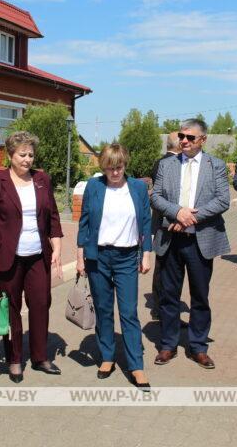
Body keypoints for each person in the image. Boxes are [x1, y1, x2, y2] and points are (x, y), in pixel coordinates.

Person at [0, 131, 63, 383]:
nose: (27, 159)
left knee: (40, 304)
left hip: (37, 256)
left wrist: (56, 248)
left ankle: (39, 357)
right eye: (22, 154)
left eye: (31, 155)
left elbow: (53, 218)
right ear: (11, 155)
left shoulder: (42, 179)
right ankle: (13, 359)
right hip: (6, 257)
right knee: (10, 308)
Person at [150, 118, 230, 370]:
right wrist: (177, 212)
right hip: (170, 239)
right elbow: (156, 197)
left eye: (190, 137)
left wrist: (188, 218)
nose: (184, 141)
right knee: (169, 295)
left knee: (200, 296)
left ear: (202, 140)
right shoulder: (167, 165)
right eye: (182, 136)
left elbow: (222, 201)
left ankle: (197, 347)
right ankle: (168, 344)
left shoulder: (215, 165)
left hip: (200, 240)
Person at [76, 144, 153, 388]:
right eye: (110, 168)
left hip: (127, 257)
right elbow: (84, 223)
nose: (115, 172)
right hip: (98, 256)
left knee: (129, 312)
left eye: (119, 167)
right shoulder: (95, 186)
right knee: (104, 309)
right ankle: (107, 357)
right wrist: (80, 257)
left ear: (125, 165)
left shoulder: (139, 188)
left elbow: (146, 222)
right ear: (104, 168)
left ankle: (136, 365)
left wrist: (147, 254)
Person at [149, 132, 180, 319]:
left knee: (164, 265)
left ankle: (161, 307)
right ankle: (160, 308)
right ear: (177, 144)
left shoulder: (159, 161)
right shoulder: (167, 163)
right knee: (164, 265)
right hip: (166, 222)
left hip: (162, 220)